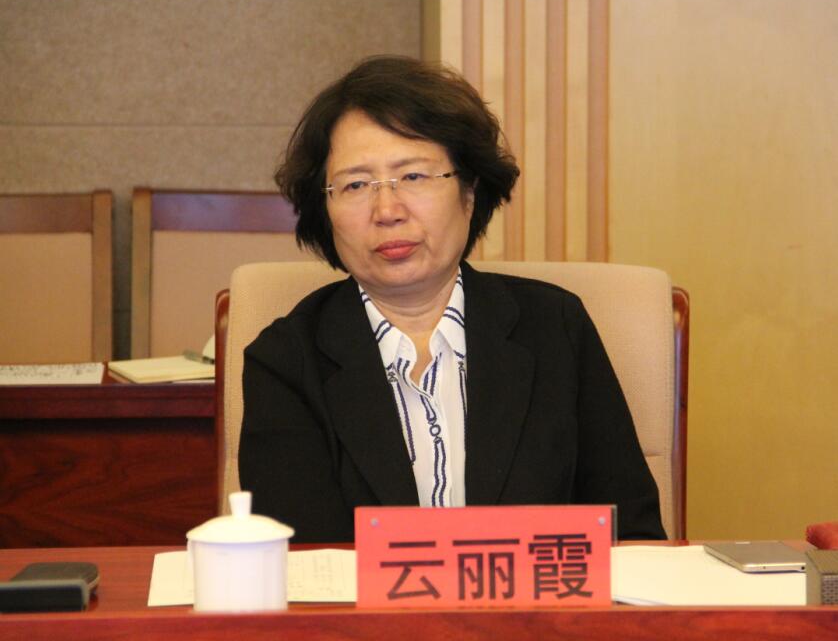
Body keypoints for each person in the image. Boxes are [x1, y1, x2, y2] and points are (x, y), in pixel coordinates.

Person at [239, 55, 665, 542]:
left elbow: (631, 535)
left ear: (469, 190)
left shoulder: (555, 327)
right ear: (324, 210)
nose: (387, 210)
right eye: (356, 185)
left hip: (541, 595)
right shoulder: (286, 360)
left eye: (414, 177)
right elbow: (301, 564)